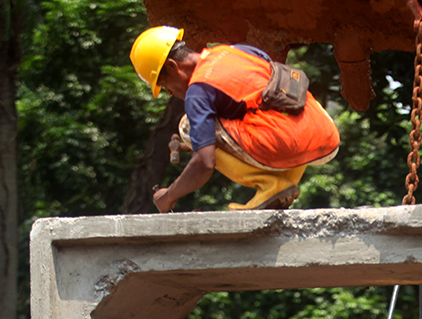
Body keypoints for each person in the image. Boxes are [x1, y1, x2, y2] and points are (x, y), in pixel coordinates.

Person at [129, 26, 340, 212]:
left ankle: (271, 185)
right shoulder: (234, 51)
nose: (169, 92)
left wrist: (168, 196)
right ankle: (282, 189)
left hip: (284, 139)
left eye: (165, 86)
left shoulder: (198, 91)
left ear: (173, 67)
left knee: (189, 126)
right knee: (263, 116)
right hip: (323, 131)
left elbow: (205, 162)